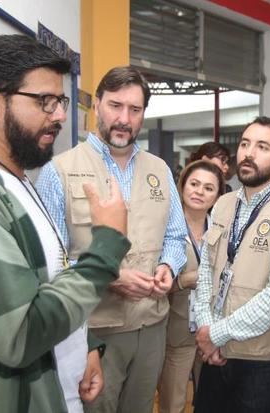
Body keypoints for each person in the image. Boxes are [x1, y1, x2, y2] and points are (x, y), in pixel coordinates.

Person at [0, 34, 130, 413]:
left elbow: (47, 280)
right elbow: (20, 334)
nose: (60, 115)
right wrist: (107, 244)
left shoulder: (16, 178)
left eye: (60, 101)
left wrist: (84, 344)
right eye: (45, 101)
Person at [36, 66, 187, 413]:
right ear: (97, 105)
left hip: (152, 326)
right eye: (115, 106)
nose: (124, 118)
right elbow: (49, 258)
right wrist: (111, 276)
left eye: (135, 110)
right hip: (93, 331)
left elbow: (176, 236)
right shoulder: (58, 170)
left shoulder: (160, 170)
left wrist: (168, 265)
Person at [193, 116, 270, 412]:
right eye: (245, 144)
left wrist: (216, 334)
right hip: (215, 353)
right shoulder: (223, 203)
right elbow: (207, 268)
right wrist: (207, 325)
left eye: (262, 147)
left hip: (262, 362)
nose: (248, 153)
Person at [157, 160, 226, 413]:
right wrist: (186, 279)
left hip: (212, 329)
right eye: (194, 184)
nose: (199, 192)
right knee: (172, 401)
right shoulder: (166, 228)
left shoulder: (222, 229)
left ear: (218, 195)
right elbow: (156, 280)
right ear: (182, 186)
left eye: (209, 188)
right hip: (176, 331)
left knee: (210, 400)